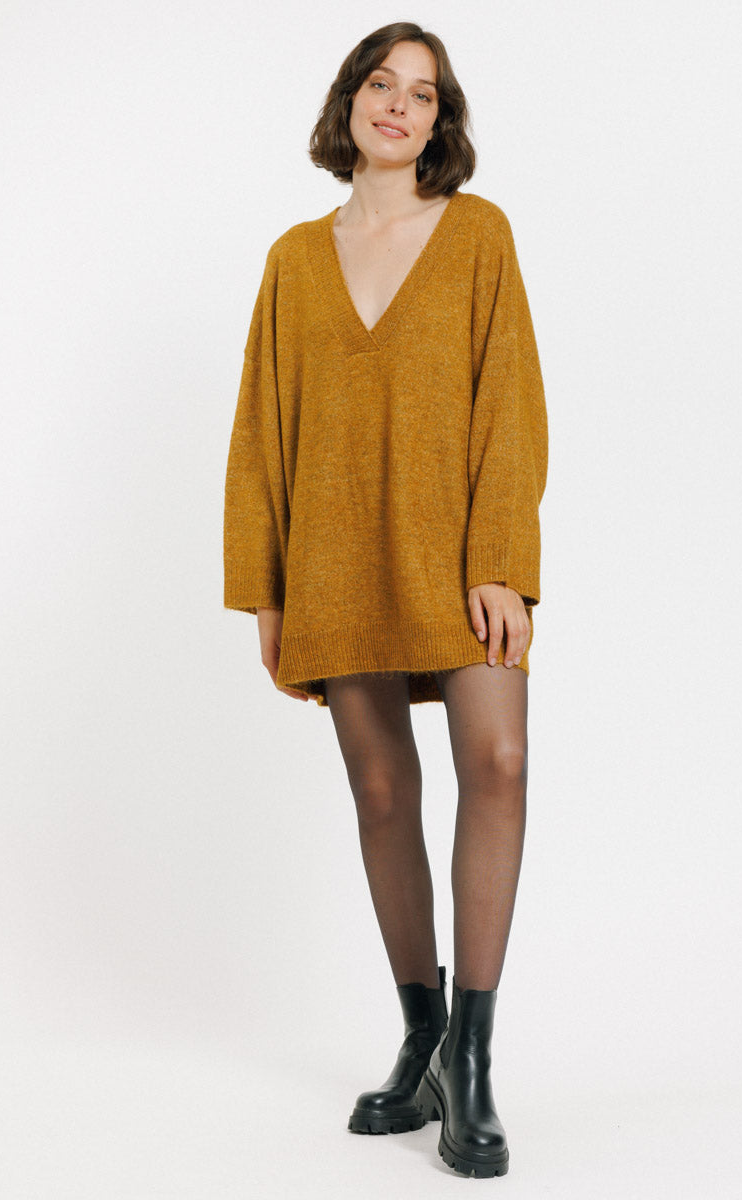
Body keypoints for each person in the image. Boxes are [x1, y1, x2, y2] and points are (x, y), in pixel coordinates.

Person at [223, 21, 548, 1179]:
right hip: (335, 558)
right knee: (379, 791)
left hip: (456, 554)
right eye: (382, 83)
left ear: (440, 120)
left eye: (423, 93)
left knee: (498, 761)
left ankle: (472, 1060)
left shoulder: (478, 234)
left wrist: (500, 558)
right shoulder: (292, 259)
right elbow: (262, 430)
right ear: (350, 102)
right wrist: (264, 587)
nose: (399, 105)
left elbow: (511, 401)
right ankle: (421, 1035)